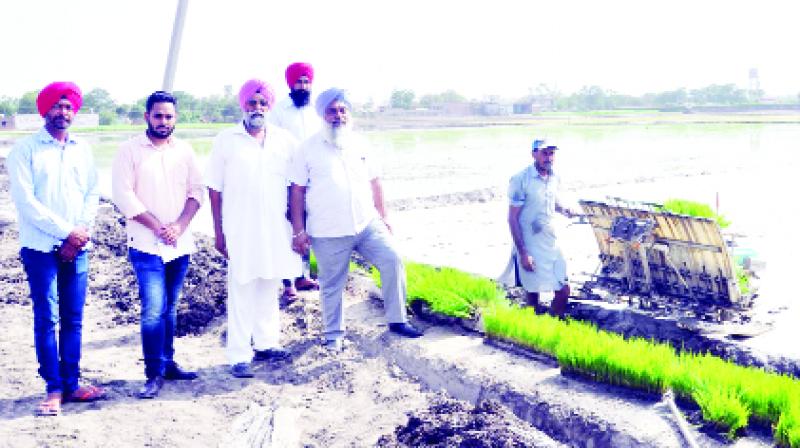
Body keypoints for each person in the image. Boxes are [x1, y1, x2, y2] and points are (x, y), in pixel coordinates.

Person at [288, 87, 423, 352]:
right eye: (332, 111)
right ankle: (333, 335)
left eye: (342, 110)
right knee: (331, 284)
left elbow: (375, 181)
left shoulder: (361, 143)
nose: (338, 116)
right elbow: (297, 190)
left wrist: (384, 216)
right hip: (328, 231)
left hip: (366, 224)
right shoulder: (307, 149)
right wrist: (298, 231)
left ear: (349, 113)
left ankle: (397, 320)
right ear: (322, 115)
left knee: (393, 260)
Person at [7, 81, 104, 416]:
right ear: (44, 110)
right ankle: (53, 387)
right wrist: (68, 234)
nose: (63, 112)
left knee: (74, 319)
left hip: (78, 248)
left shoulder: (83, 149)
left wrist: (80, 235)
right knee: (47, 318)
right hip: (39, 249)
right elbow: (26, 202)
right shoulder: (25, 150)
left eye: (68, 107)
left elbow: (93, 193)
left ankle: (72, 382)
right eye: (57, 106)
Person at [111, 91, 204, 399]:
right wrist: (160, 228)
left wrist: (178, 226)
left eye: (169, 116)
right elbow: (124, 196)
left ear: (175, 118)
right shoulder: (129, 150)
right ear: (147, 117)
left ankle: (168, 362)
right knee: (153, 310)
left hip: (179, 244)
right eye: (158, 116)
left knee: (171, 308)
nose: (164, 121)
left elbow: (196, 192)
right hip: (145, 244)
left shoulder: (185, 151)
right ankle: (153, 374)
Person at [206, 79, 301, 378]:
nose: (257, 108)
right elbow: (214, 190)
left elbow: (297, 185)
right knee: (242, 288)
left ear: (269, 106)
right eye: (252, 102)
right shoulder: (226, 139)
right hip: (239, 228)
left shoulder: (285, 141)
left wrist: (299, 228)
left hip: (275, 226)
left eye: (262, 103)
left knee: (269, 282)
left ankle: (266, 343)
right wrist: (219, 233)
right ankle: (238, 355)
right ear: (243, 105)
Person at [268, 62, 321, 301]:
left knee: (310, 226)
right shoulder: (279, 111)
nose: (303, 86)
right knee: (288, 228)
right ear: (290, 84)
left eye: (307, 82)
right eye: (299, 82)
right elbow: (272, 143)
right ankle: (288, 283)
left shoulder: (317, 110)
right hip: (287, 180)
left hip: (315, 178)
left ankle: (304, 276)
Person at [505, 139, 574, 317]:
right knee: (532, 286)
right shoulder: (520, 179)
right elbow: (512, 218)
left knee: (564, 289)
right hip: (529, 241)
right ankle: (535, 321)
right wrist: (523, 253)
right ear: (534, 154)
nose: (548, 157)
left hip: (550, 240)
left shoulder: (554, 177)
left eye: (551, 153)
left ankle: (550, 322)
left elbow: (549, 200)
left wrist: (564, 209)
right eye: (544, 153)